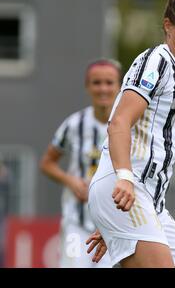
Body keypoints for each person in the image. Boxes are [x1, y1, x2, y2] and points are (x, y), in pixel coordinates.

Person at [85, 0, 175, 268]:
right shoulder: (156, 61)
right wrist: (124, 181)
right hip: (127, 189)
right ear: (168, 26)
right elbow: (119, 123)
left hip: (148, 203)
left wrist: (116, 222)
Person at [40, 59, 122, 267]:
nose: (103, 88)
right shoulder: (74, 124)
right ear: (88, 87)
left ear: (119, 86)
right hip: (76, 223)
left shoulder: (129, 126)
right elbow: (47, 163)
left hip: (113, 225)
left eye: (109, 82)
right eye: (97, 83)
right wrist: (70, 181)